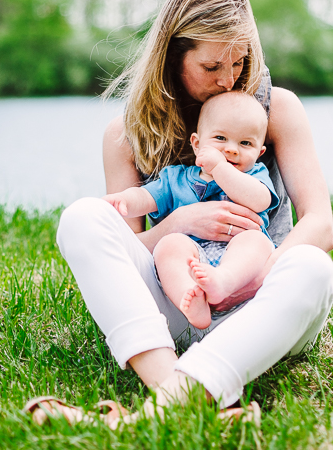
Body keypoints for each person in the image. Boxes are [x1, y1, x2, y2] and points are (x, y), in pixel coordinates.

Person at [27, 0, 333, 424]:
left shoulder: (275, 110)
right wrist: (180, 223)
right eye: (212, 67)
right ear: (174, 56)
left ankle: (150, 416)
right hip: (179, 300)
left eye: (239, 62)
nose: (229, 79)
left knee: (314, 268)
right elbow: (125, 248)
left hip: (262, 308)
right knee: (82, 217)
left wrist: (256, 276)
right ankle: (179, 397)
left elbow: (320, 225)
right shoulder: (124, 135)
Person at [102, 91, 279, 331]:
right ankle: (190, 295)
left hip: (242, 268)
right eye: (220, 138)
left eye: (245, 143)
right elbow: (147, 196)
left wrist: (219, 168)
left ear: (259, 153)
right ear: (197, 144)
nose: (232, 149)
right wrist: (124, 201)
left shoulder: (254, 175)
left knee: (255, 240)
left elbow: (259, 200)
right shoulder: (175, 178)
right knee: (169, 245)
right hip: (193, 259)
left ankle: (222, 281)